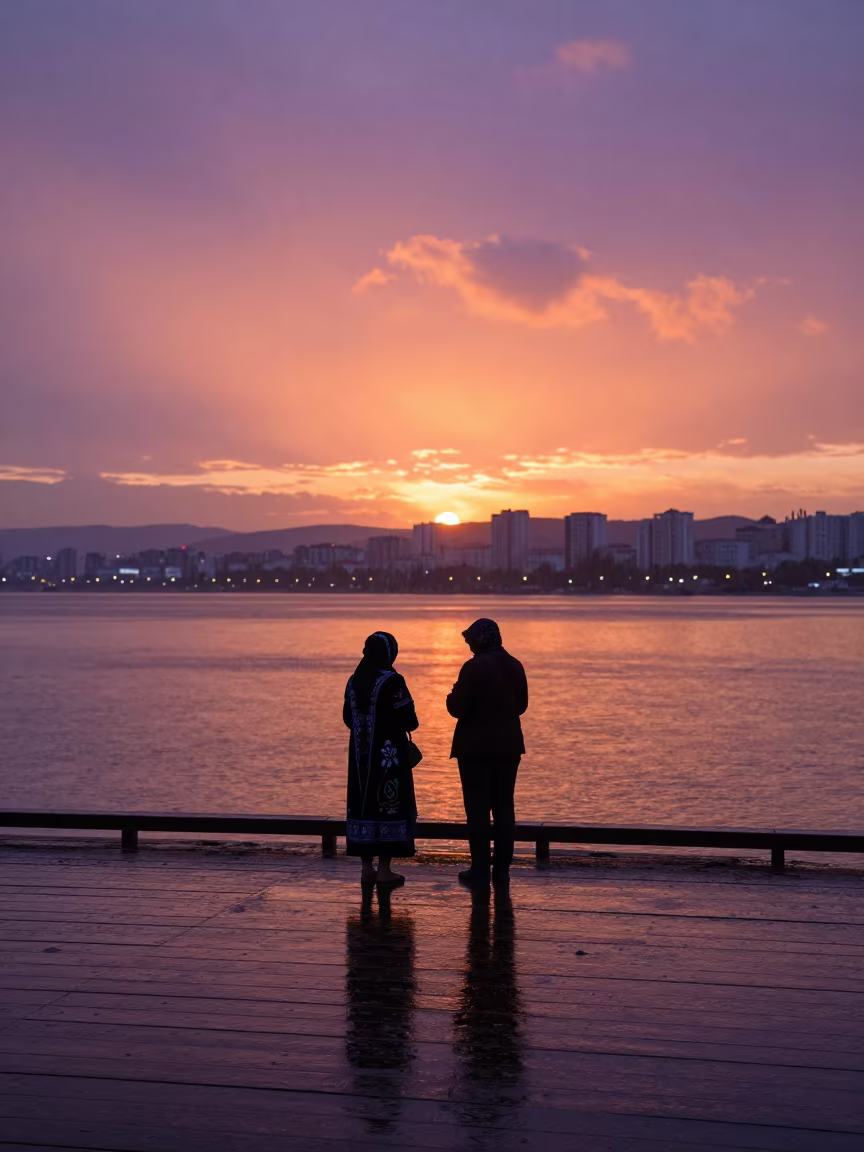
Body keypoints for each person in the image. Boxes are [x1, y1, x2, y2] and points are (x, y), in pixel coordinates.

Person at [446, 618, 528, 888]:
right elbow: (522, 705)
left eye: (470, 640)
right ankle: (502, 871)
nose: (468, 644)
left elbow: (457, 707)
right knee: (505, 807)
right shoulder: (515, 665)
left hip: (475, 750)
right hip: (508, 747)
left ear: (480, 639)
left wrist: (451, 695)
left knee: (477, 810)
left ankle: (480, 869)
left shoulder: (473, 668)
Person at [344, 631, 419, 888]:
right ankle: (385, 870)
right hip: (389, 759)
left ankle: (367, 868)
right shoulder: (393, 681)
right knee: (388, 805)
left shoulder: (354, 681)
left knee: (363, 806)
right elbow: (411, 721)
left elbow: (346, 719)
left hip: (359, 759)